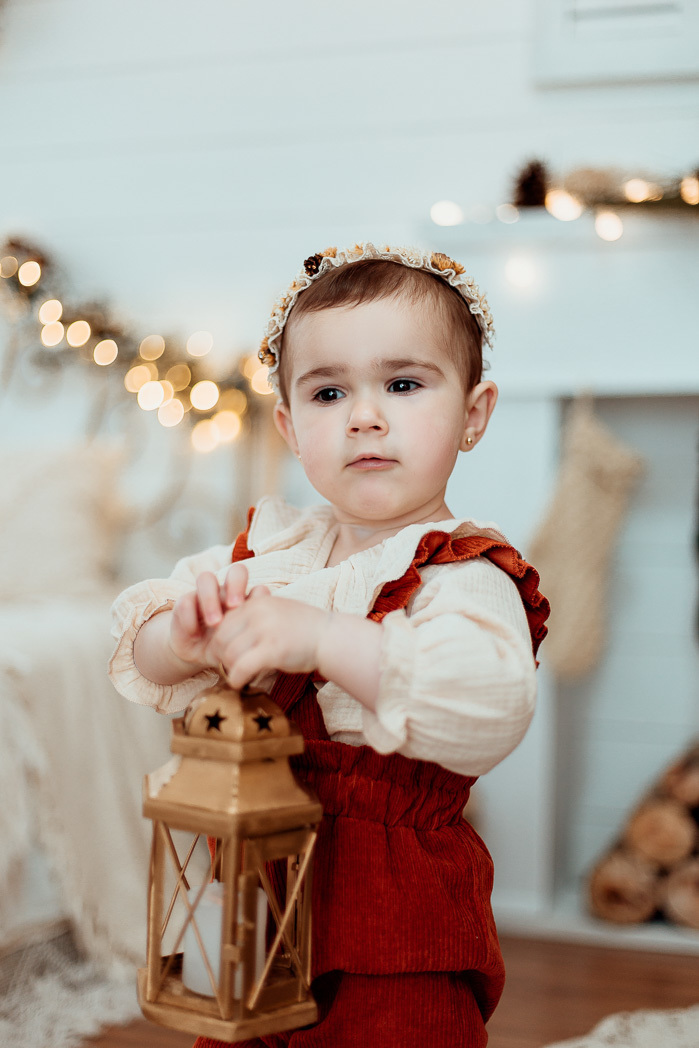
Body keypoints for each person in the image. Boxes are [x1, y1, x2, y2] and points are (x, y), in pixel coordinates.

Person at [109, 241, 549, 1048]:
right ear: (288, 425)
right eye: (327, 392)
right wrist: (186, 637)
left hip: (394, 920)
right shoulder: (269, 553)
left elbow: (489, 708)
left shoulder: (462, 571)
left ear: (473, 413)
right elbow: (138, 650)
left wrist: (322, 636)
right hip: (251, 908)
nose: (363, 416)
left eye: (403, 384)